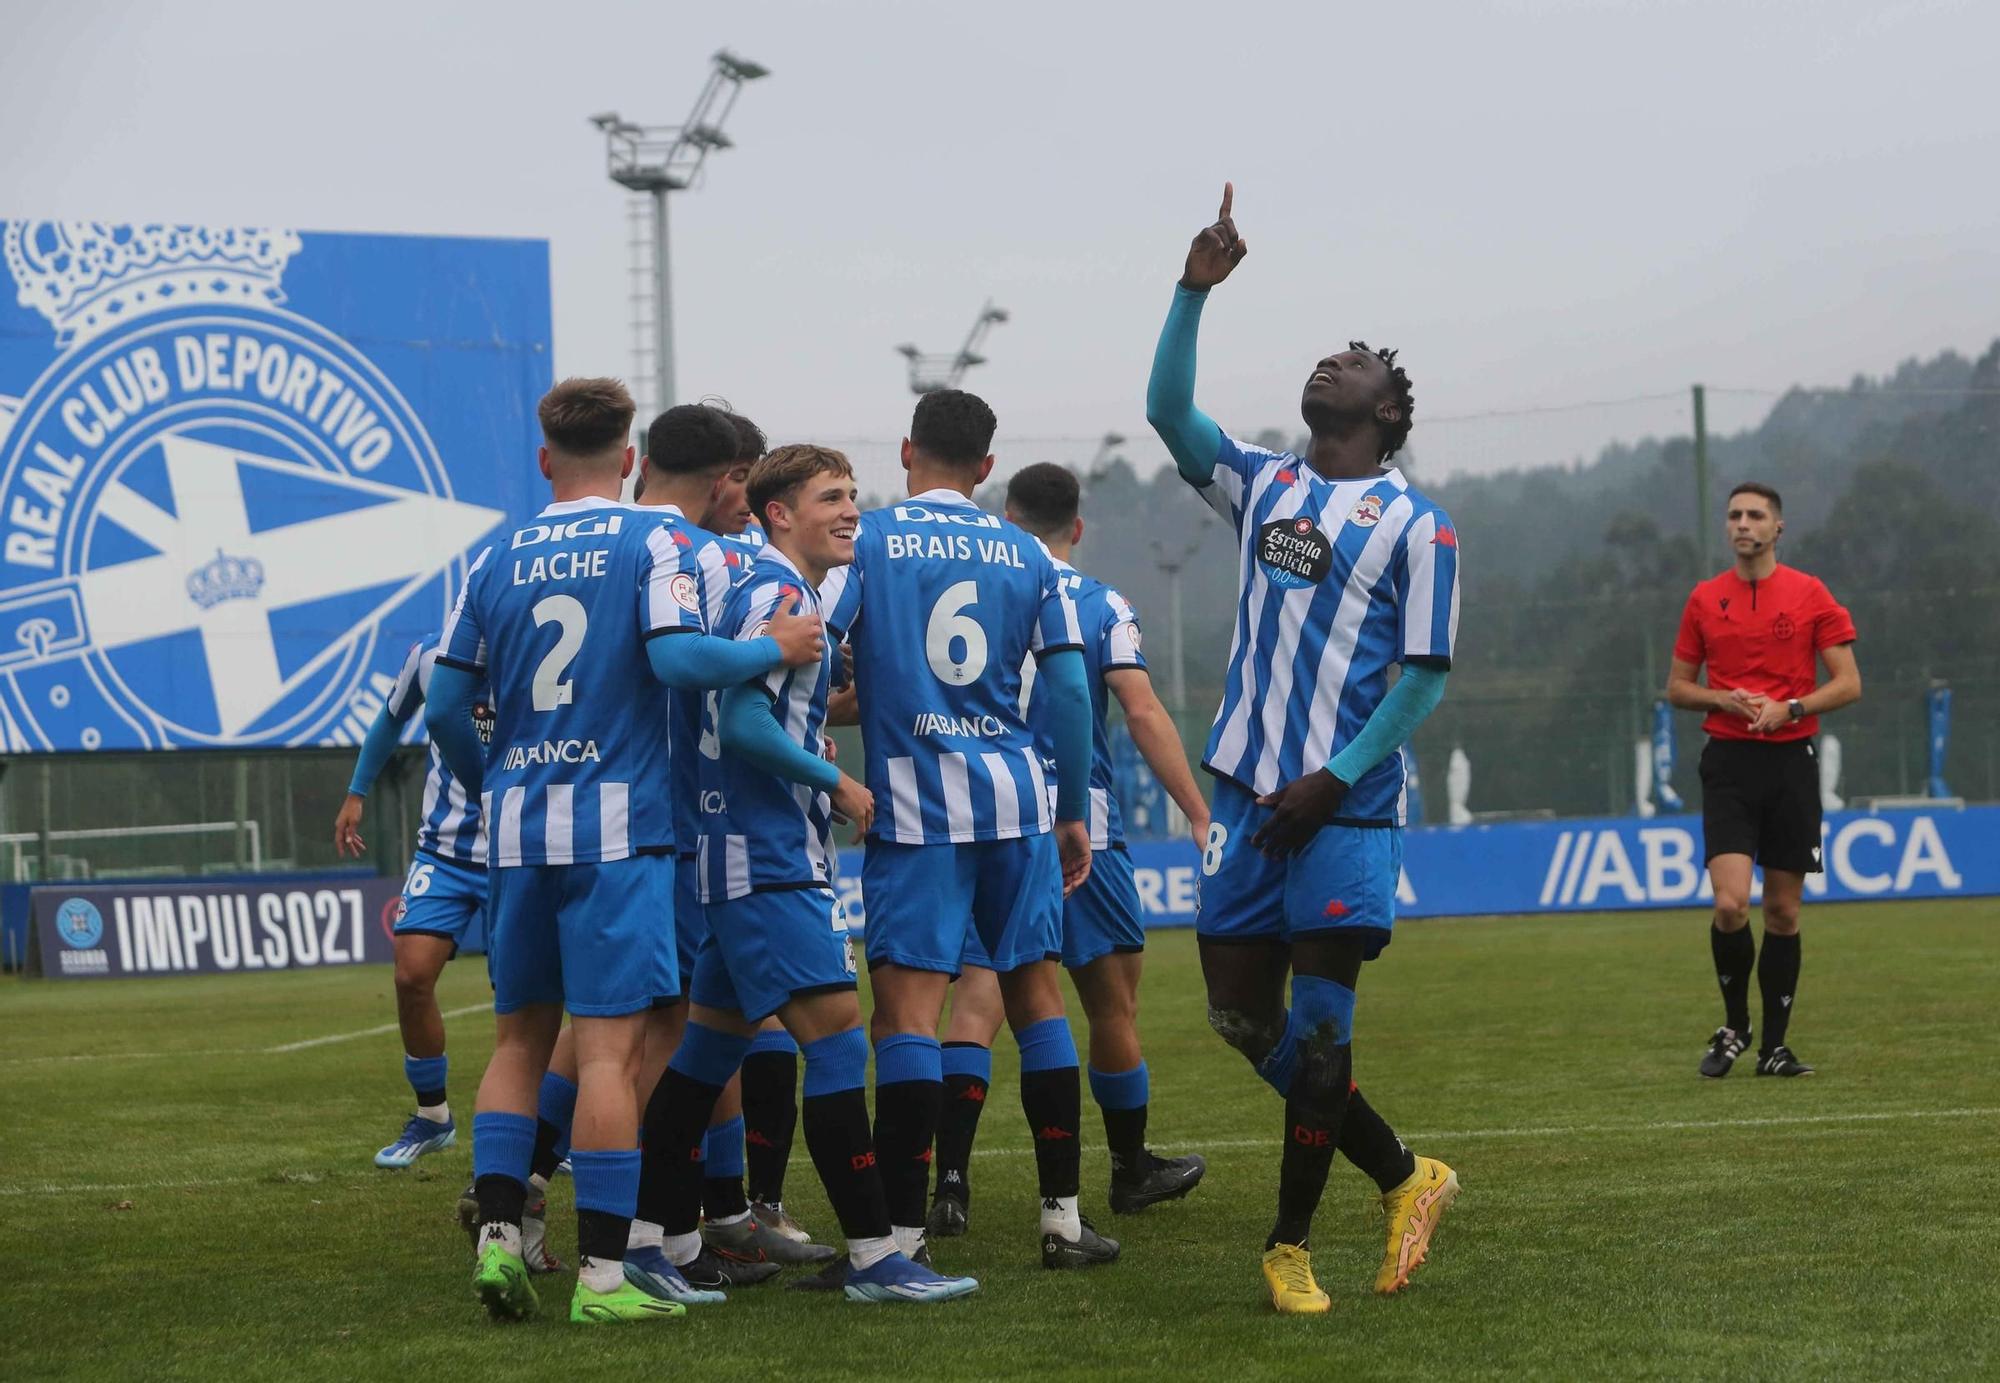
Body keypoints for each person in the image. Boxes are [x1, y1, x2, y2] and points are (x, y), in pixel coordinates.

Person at [426, 377, 820, 1325]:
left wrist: (496, 783)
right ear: (629, 450)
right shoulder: (658, 541)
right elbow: (680, 660)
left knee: (520, 1039)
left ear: (544, 455)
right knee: (610, 1050)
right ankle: (608, 1277)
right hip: (621, 828)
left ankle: (499, 1232)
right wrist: (772, 643)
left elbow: (443, 706)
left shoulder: (496, 554)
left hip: (518, 827)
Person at [1145, 185, 1461, 1314]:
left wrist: (1334, 779)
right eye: (1324, 360)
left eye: (1352, 368)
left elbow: (1422, 674)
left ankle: (1287, 1247)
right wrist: (1191, 291)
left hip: (1343, 809)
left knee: (1322, 1034)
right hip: (1243, 798)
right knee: (1240, 1018)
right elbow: (1167, 413)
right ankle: (1403, 1172)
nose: (1330, 369)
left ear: (1385, 413)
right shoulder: (1264, 482)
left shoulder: (1419, 527)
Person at [631, 443, 979, 1304]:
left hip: (735, 851)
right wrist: (839, 780)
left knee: (704, 1056)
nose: (851, 509)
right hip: (768, 856)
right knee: (834, 1036)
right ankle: (872, 1255)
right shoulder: (783, 592)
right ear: (778, 511)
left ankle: (643, 1239)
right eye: (832, 496)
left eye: (855, 494)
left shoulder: (755, 583)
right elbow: (746, 724)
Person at [816, 389, 1119, 1272]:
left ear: (907, 451)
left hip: (914, 809)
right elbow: (1067, 691)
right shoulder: (1029, 552)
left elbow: (816, 649)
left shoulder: (866, 540)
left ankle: (902, 1236)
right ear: (988, 468)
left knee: (908, 1015)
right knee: (1036, 1000)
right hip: (1019, 805)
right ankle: (1062, 1220)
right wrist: (1068, 808)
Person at [926, 462, 1211, 1238]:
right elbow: (1141, 708)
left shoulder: (979, 592)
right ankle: (1128, 1167)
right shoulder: (1095, 602)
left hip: (991, 818)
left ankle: (949, 1178)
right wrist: (1194, 808)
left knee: (978, 997)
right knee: (1108, 1004)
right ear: (1076, 529)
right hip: (1080, 824)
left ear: (1006, 518)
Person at [1667, 481, 1861, 1080]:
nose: (1742, 524)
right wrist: (1723, 697)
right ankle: (1736, 1027)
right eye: (1734, 515)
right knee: (1730, 904)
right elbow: (1677, 687)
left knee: (1782, 911)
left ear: (1778, 528)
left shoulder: (1810, 594)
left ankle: (1775, 1048)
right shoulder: (1704, 599)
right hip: (1728, 762)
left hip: (1790, 761)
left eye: (1755, 515)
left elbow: (1848, 682)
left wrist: (1794, 707)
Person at [334, 635, 487, 1170]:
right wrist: (357, 792)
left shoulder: (535, 645)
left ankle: (549, 1129)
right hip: (444, 852)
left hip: (522, 850)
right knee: (411, 976)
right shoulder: (430, 655)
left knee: (529, 997)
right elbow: (390, 717)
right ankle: (433, 1117)